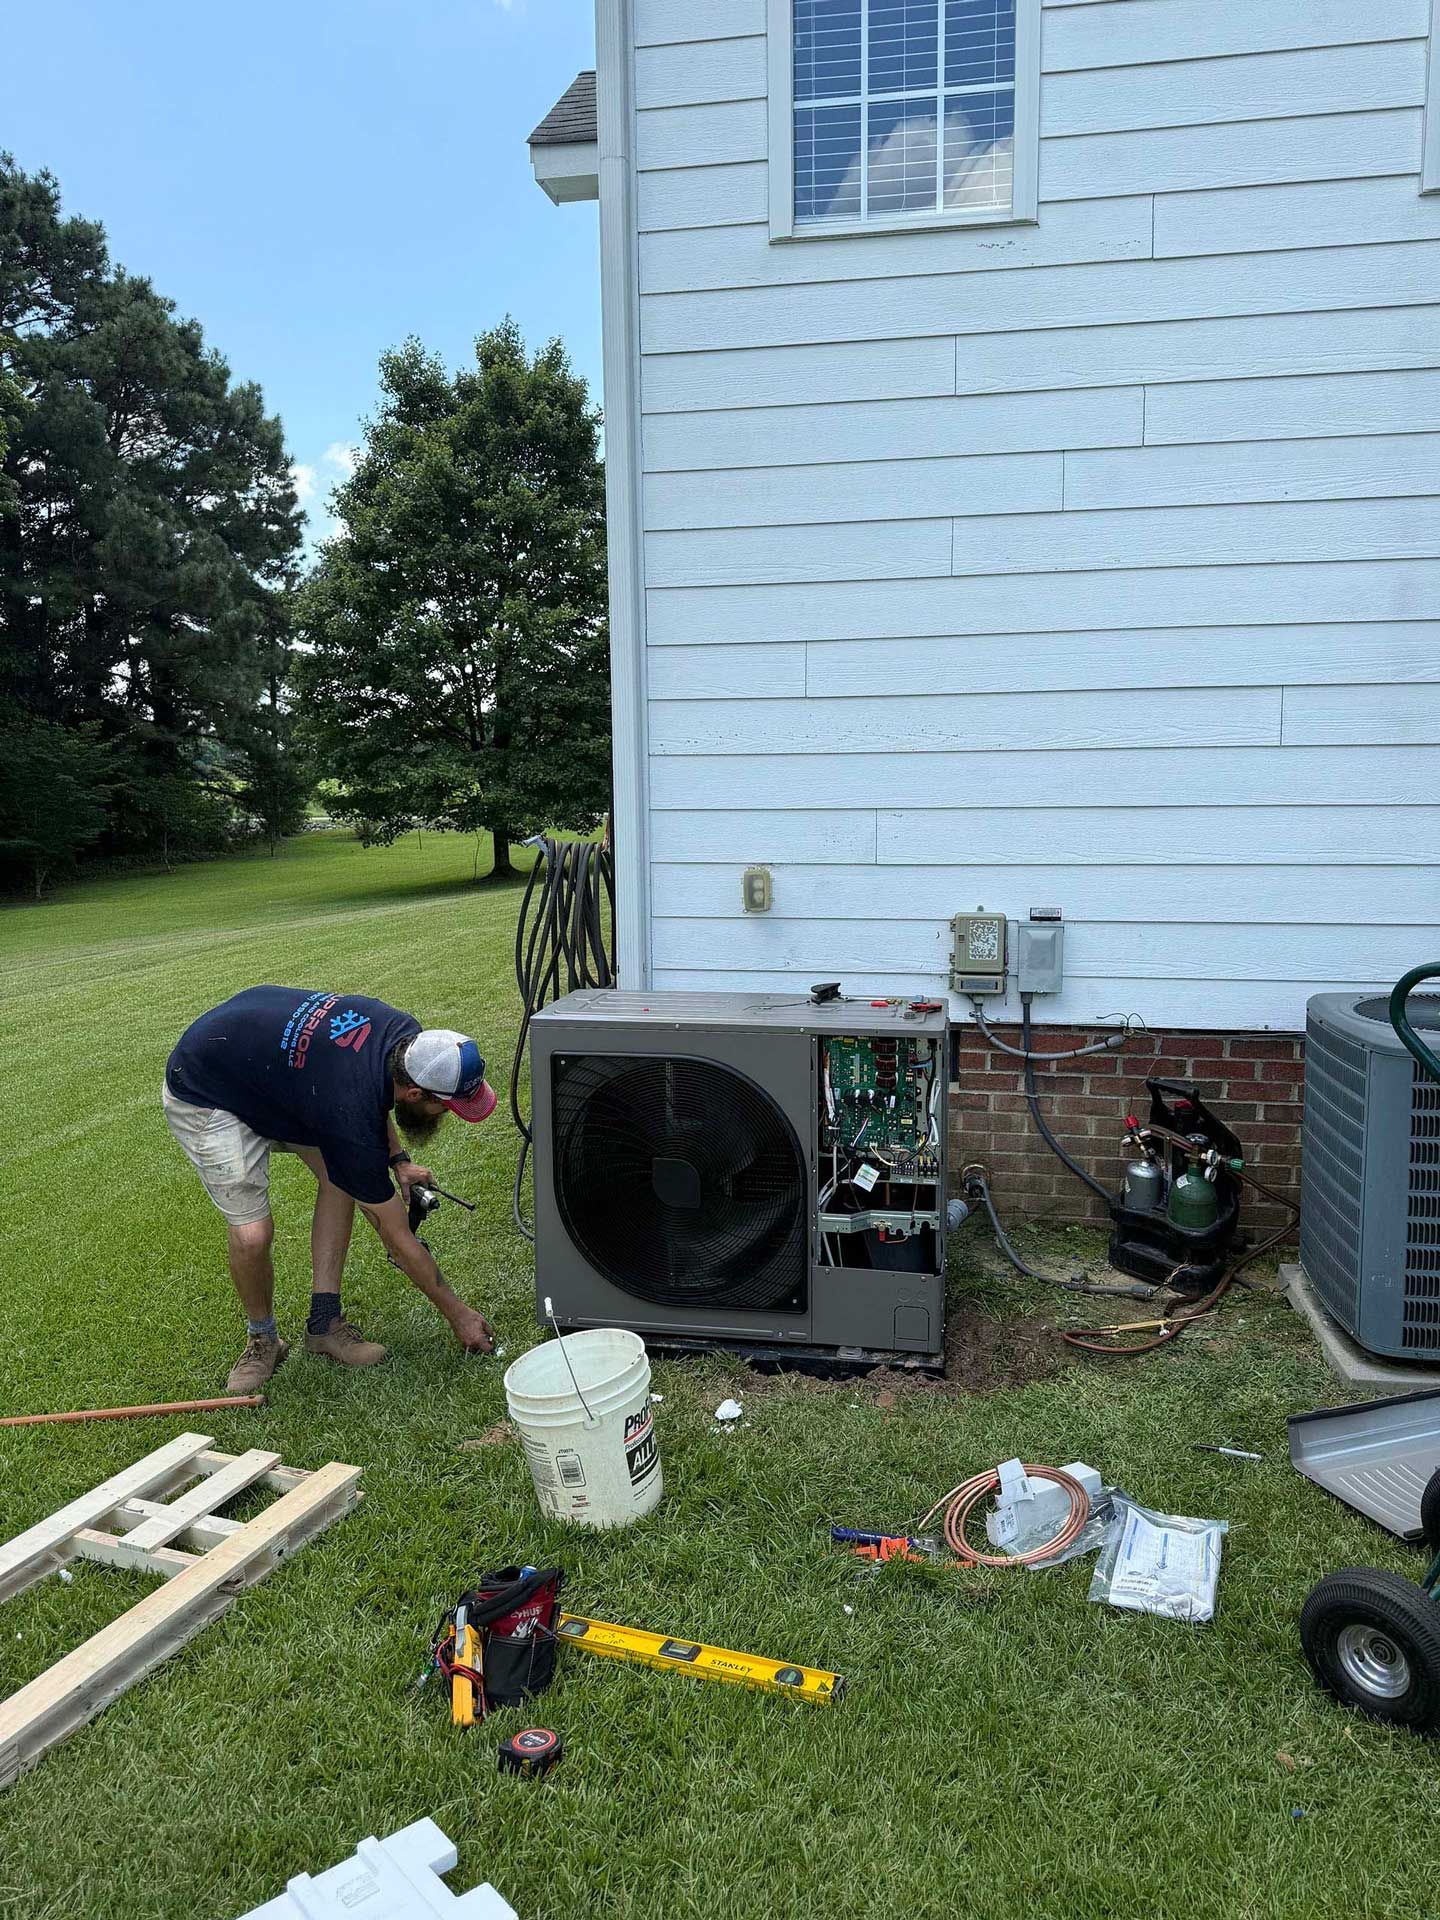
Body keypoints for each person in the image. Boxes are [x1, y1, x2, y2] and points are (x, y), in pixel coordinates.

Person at [163, 985, 498, 1392]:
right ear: (415, 1092)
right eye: (444, 1106)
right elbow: (396, 1237)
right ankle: (263, 1338)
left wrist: (398, 1160)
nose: (444, 1115)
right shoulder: (351, 1105)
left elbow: (368, 1096)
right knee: (253, 1235)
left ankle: (323, 1325)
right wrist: (458, 1314)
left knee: (340, 1175)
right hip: (206, 1089)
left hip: (273, 1075)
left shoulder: (404, 1038)